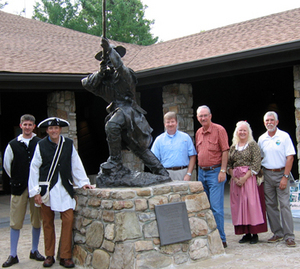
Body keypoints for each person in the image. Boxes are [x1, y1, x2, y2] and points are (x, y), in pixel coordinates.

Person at [81, 37, 168, 178]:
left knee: (112, 126)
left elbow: (120, 67)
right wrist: (100, 73)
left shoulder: (127, 75)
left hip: (129, 112)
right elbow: (86, 84)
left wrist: (109, 50)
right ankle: (161, 172)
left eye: (111, 56)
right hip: (118, 112)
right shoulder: (105, 82)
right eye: (106, 58)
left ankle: (115, 161)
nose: (109, 60)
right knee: (137, 148)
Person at [28, 117, 95, 268]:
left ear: (60, 129)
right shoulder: (41, 145)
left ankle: (65, 256)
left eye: (56, 128)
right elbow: (34, 168)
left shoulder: (68, 144)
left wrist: (84, 182)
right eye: (51, 128)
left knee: (68, 220)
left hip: (64, 188)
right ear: (47, 130)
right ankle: (49, 255)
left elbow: (75, 163)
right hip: (47, 190)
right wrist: (35, 192)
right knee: (48, 223)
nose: (53, 130)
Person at [2, 114, 45, 268]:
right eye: (25, 124)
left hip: (36, 189)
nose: (27, 127)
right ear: (21, 126)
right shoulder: (12, 145)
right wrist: (18, 179)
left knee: (36, 219)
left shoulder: (40, 143)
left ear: (34, 127)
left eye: (30, 125)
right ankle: (13, 254)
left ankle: (34, 250)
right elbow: (7, 166)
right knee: (15, 221)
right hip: (18, 187)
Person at [258, 111, 296, 247]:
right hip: (267, 174)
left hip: (281, 173)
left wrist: (285, 177)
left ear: (277, 122)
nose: (269, 122)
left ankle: (289, 236)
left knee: (285, 205)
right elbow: (260, 158)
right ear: (264, 123)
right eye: (267, 120)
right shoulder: (262, 139)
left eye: (272, 120)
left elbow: (290, 157)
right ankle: (278, 233)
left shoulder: (284, 136)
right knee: (270, 205)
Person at [227, 121, 267, 244]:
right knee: (239, 206)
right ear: (236, 132)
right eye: (240, 130)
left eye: (245, 130)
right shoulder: (233, 147)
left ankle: (254, 233)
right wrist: (234, 177)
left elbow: (256, 163)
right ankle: (246, 233)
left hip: (249, 179)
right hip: (236, 180)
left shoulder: (253, 145)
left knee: (251, 205)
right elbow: (229, 164)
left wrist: (244, 178)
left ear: (248, 132)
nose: (242, 132)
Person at [195, 105, 229, 248]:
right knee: (204, 207)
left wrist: (223, 171)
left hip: (215, 172)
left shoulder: (219, 130)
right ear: (198, 118)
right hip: (202, 173)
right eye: (200, 116)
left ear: (210, 116)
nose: (203, 118)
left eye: (205, 115)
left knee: (216, 207)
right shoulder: (198, 132)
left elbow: (225, 151)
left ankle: (221, 239)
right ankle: (209, 236)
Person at [151, 112, 197, 181]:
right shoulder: (159, 140)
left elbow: (192, 156)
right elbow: (154, 159)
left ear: (176, 123)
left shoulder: (186, 138)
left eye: (172, 121)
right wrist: (159, 174)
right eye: (168, 122)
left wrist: (189, 174)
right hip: (165, 173)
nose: (170, 124)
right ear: (164, 124)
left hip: (183, 173)